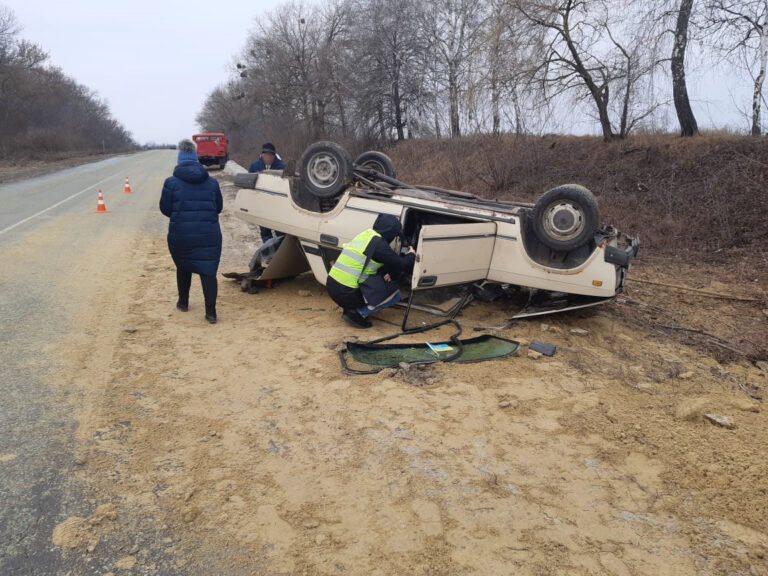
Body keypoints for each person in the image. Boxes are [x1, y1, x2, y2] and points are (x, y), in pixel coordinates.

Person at [160, 139, 224, 324]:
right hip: (209, 233)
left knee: (183, 265)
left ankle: (183, 302)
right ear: (196, 159)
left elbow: (165, 209)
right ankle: (211, 313)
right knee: (208, 271)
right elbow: (218, 207)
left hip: (181, 234)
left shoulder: (171, 183)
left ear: (179, 160)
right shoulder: (212, 183)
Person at [326, 214, 416, 328]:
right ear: (391, 233)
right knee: (395, 294)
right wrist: (411, 255)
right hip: (346, 292)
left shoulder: (366, 235)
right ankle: (357, 313)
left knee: (377, 280)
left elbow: (371, 260)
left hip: (332, 285)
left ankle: (350, 307)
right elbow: (401, 264)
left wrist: (387, 272)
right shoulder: (380, 245)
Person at [249, 142, 287, 244]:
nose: (267, 157)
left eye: (270, 155)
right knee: (265, 232)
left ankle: (281, 252)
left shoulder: (282, 167)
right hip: (261, 204)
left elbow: (287, 186)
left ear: (274, 156)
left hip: (278, 206)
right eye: (265, 155)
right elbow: (249, 185)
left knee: (281, 232)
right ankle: (269, 253)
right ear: (262, 155)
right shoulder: (255, 165)